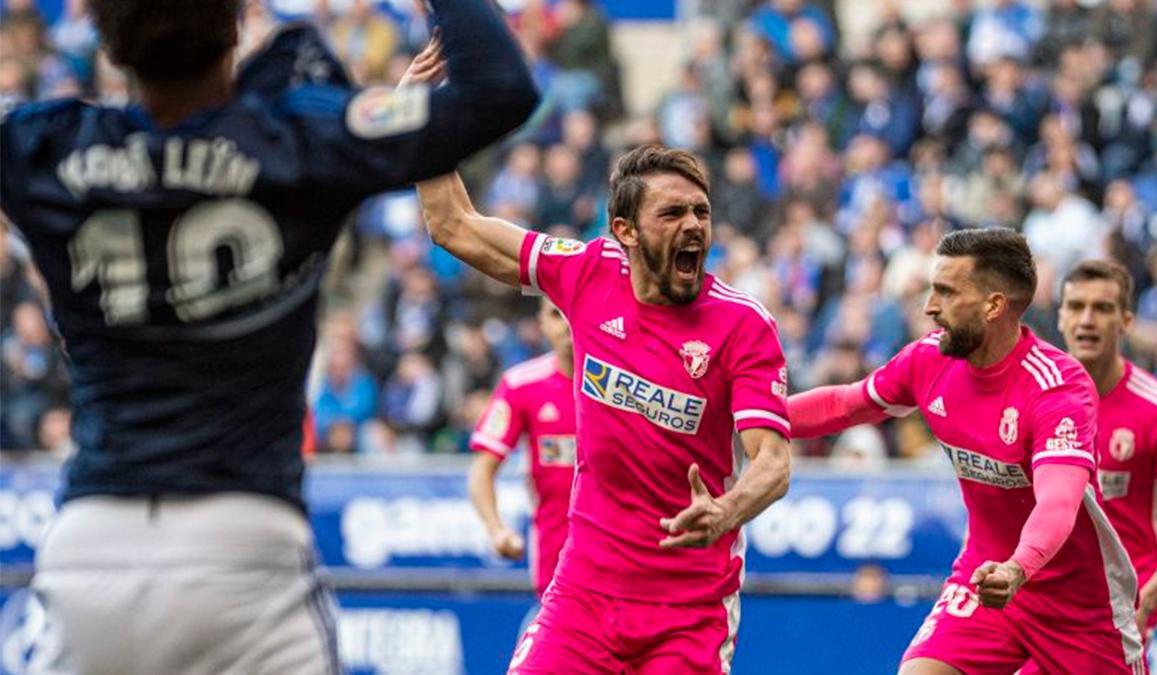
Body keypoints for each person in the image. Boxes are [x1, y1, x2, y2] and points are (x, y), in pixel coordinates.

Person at [0, 0, 537, 671]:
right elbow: (500, 87)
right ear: (233, 29)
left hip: (91, 542)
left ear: (105, 42)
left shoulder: (44, 144)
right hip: (245, 543)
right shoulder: (291, 139)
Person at [416, 145, 792, 673]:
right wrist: (430, 125)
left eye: (701, 212)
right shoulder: (587, 273)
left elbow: (773, 463)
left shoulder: (743, 325)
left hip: (688, 610)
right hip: (583, 595)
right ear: (626, 230)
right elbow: (453, 224)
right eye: (672, 213)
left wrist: (726, 512)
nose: (693, 225)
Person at [786, 229, 1145, 674]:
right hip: (984, 577)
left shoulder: (1058, 389)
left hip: (1078, 606)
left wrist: (1018, 568)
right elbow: (846, 403)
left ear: (993, 306)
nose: (929, 307)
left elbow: (1059, 502)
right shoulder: (929, 360)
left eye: (946, 292)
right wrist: (748, 417)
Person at [1056, 260, 1157, 641]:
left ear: (1126, 322)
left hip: (1122, 600)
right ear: (1060, 318)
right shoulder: (1038, 398)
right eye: (1076, 307)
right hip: (1051, 593)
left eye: (1102, 309)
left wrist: (1147, 601)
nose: (1087, 320)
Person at [468, 298, 576, 604]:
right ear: (541, 324)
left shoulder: (626, 384)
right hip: (556, 564)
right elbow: (482, 469)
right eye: (556, 315)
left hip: (624, 561)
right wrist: (496, 529)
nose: (568, 325)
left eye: (573, 312)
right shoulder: (522, 385)